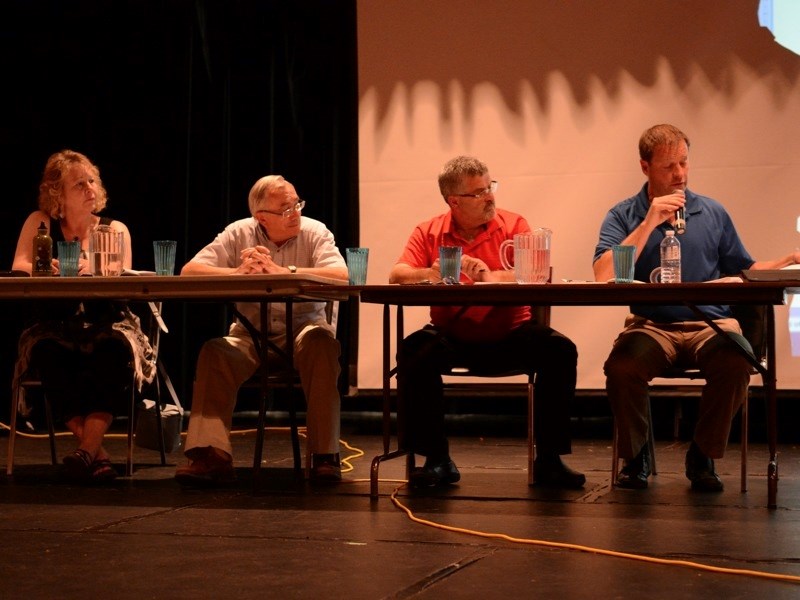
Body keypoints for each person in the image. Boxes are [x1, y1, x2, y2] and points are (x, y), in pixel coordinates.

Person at [593, 123, 800, 492]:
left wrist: (786, 260)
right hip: (652, 325)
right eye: (669, 167)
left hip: (711, 323)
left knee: (738, 362)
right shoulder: (624, 214)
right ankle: (637, 456)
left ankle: (703, 455)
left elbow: (745, 269)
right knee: (622, 367)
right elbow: (604, 274)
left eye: (685, 164)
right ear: (645, 167)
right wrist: (650, 221)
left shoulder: (712, 211)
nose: (680, 175)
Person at [389, 155, 585, 489]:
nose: (490, 197)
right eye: (479, 193)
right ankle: (436, 459)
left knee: (560, 350)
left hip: (511, 334)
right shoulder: (429, 230)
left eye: (489, 187)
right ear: (454, 201)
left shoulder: (514, 224)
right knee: (413, 352)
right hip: (452, 336)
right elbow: (397, 275)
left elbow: (535, 273)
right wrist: (430, 272)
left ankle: (549, 459)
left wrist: (489, 276)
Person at [175, 174, 348, 485]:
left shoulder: (315, 231)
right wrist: (238, 273)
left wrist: (286, 272)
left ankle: (324, 454)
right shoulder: (238, 232)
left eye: (297, 204)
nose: (295, 212)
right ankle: (210, 453)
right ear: (261, 217)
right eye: (285, 208)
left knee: (322, 344)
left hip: (304, 331)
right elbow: (190, 270)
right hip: (250, 335)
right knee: (215, 351)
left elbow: (341, 275)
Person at [11, 149, 155, 483]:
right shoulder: (40, 223)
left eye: (92, 180)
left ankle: (86, 451)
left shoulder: (114, 228)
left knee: (114, 352)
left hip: (107, 321)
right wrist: (50, 268)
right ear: (57, 193)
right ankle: (96, 454)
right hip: (55, 322)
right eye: (79, 184)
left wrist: (93, 270)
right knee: (48, 354)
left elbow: (123, 276)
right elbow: (20, 266)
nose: (90, 188)